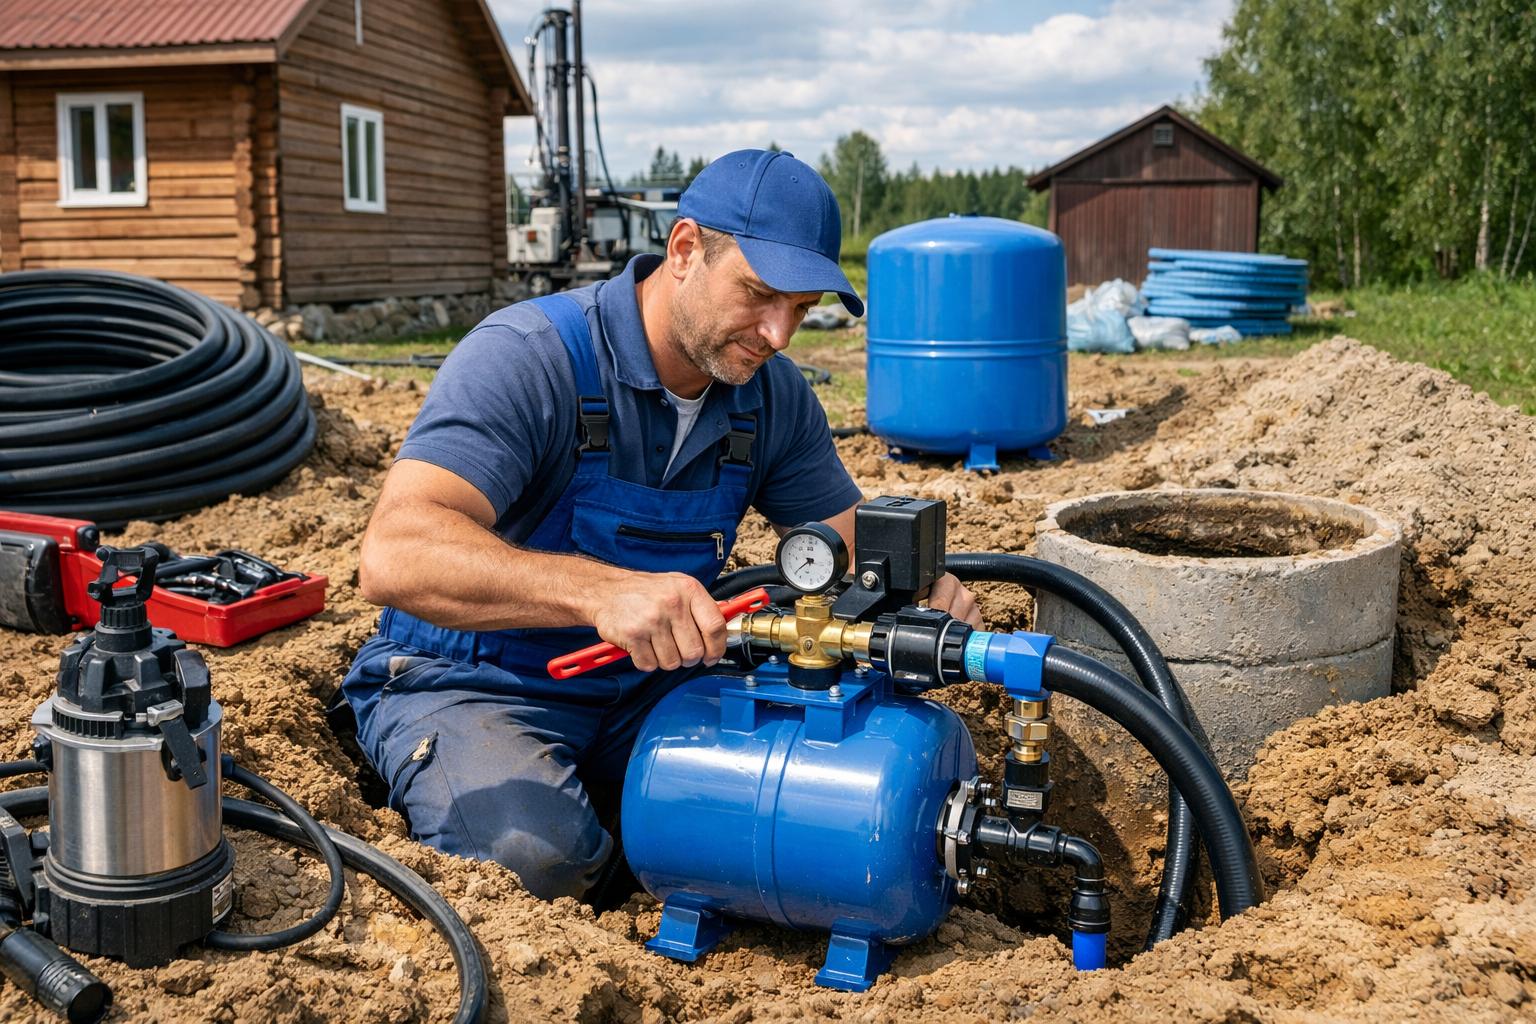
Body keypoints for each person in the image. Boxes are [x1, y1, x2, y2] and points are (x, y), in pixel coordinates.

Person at [341, 149, 981, 903]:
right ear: (684, 251)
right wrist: (599, 594)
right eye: (760, 294)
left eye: (801, 311)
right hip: (474, 683)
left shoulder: (769, 398)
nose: (778, 334)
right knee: (537, 860)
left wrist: (925, 593)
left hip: (650, 685)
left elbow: (853, 548)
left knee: (794, 814)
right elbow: (395, 553)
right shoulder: (531, 357)